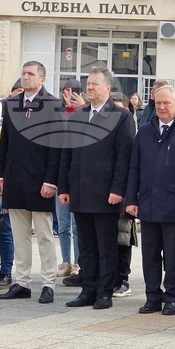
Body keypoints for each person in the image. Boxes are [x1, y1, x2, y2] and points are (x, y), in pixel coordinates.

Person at [126, 85, 175, 316]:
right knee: (150, 255)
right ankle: (152, 297)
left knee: (173, 256)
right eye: (158, 102)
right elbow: (135, 167)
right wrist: (131, 199)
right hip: (149, 204)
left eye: (167, 103)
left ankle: (172, 296)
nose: (162, 107)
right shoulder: (144, 131)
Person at [59, 67, 135, 310]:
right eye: (88, 84)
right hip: (80, 191)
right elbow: (67, 154)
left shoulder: (121, 117)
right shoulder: (79, 116)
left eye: (94, 84)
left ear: (108, 89)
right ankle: (88, 289)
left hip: (106, 194)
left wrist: (118, 189)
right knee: (87, 246)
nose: (89, 88)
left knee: (107, 246)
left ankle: (105, 292)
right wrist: (64, 187)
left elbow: (124, 157)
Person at [0, 62, 62, 304]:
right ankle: (22, 282)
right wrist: (0, 175)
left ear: (42, 79)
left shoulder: (53, 105)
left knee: (44, 235)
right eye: (23, 73)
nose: (25, 78)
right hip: (15, 177)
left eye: (30, 74)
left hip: (40, 180)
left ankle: (48, 283)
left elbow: (57, 146)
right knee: (19, 234)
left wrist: (51, 181)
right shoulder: (11, 103)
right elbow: (5, 141)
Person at [55, 77, 83, 279]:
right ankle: (66, 261)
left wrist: (78, 108)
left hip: (80, 178)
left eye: (71, 92)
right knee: (63, 224)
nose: (68, 96)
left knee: (77, 225)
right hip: (60, 176)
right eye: (65, 91)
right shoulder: (57, 114)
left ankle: (79, 263)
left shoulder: (86, 113)